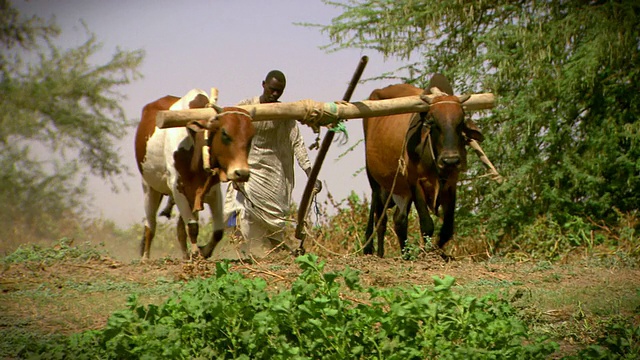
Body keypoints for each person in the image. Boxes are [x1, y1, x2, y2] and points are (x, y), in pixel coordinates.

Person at [221, 70, 321, 258]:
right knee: (235, 209)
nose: (275, 94)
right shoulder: (245, 106)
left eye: (279, 91)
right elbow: (228, 133)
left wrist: (311, 174)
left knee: (274, 222)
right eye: (272, 89)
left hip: (275, 175)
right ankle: (241, 248)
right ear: (263, 84)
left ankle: (274, 250)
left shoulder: (286, 112)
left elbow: (297, 143)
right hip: (248, 171)